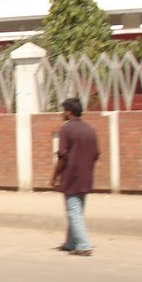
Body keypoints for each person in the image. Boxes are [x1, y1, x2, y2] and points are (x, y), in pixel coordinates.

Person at [51, 97, 99, 256]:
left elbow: (63, 156)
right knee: (77, 210)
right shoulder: (89, 129)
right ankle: (71, 242)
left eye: (63, 110)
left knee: (73, 211)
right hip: (86, 176)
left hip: (71, 176)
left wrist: (55, 176)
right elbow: (96, 154)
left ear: (69, 112)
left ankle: (84, 245)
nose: (62, 114)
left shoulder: (66, 129)